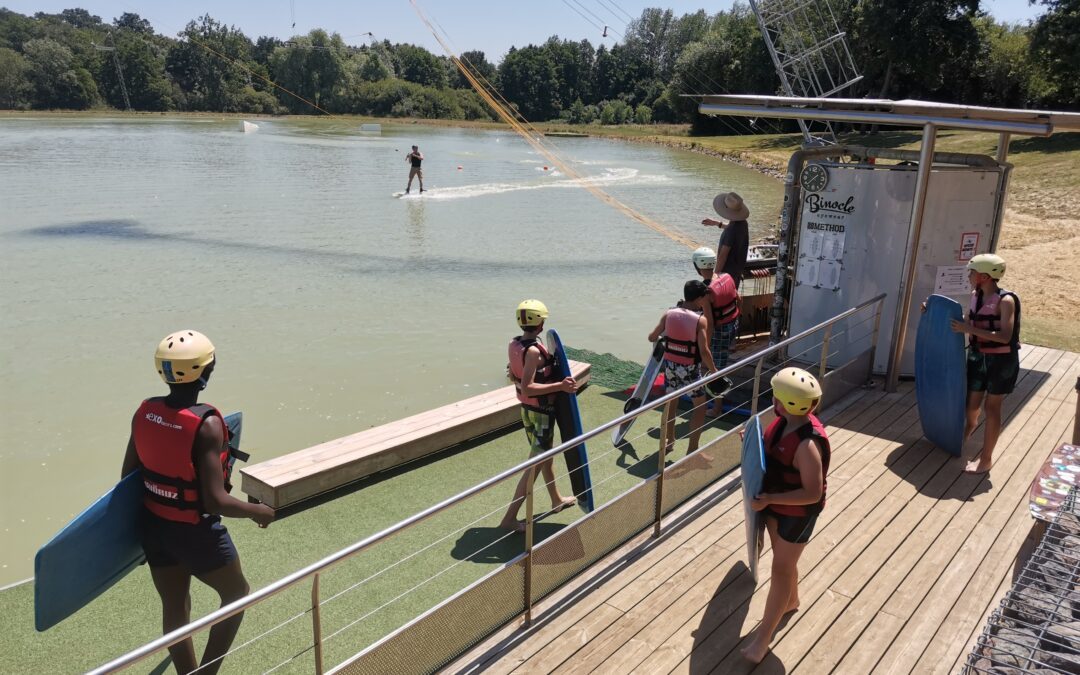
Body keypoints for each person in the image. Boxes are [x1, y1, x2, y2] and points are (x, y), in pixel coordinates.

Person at [120, 330, 274, 675]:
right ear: (207, 372)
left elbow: (128, 478)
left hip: (154, 527)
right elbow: (216, 501)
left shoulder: (144, 411)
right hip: (194, 531)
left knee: (175, 606)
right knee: (237, 594)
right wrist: (257, 511)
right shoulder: (206, 425)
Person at [742, 368, 830, 664]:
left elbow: (812, 493)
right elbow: (769, 457)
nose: (773, 400)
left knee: (780, 569)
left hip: (796, 513)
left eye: (776, 396)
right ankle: (791, 601)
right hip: (774, 507)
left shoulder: (807, 446)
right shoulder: (781, 425)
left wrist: (770, 499)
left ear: (784, 404)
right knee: (784, 560)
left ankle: (762, 640)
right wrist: (750, 445)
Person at [500, 300, 578, 531]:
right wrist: (561, 386)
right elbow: (528, 387)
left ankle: (555, 500)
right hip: (541, 412)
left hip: (528, 411)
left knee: (545, 456)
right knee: (534, 465)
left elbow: (514, 375)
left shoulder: (514, 344)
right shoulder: (533, 351)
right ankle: (509, 518)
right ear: (540, 323)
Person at [949, 253, 1020, 475]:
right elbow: (968, 321)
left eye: (972, 272)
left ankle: (986, 459)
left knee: (992, 407)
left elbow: (1005, 336)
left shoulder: (1006, 301)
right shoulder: (975, 296)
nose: (969, 276)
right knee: (971, 405)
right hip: (978, 356)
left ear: (984, 276)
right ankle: (970, 427)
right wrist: (932, 310)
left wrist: (968, 330)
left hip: (1001, 360)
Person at [648, 280, 718, 456]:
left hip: (670, 366)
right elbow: (704, 351)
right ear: (700, 298)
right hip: (690, 370)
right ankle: (692, 448)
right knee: (700, 408)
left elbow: (652, 337)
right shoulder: (700, 321)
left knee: (671, 404)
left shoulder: (669, 314)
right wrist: (715, 371)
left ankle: (669, 441)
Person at [692, 246, 739, 415]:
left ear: (697, 267)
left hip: (718, 332)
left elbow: (709, 322)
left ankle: (717, 408)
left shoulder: (706, 291)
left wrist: (705, 345)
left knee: (714, 368)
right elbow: (738, 299)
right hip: (732, 324)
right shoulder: (726, 277)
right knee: (720, 363)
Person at [702, 191, 751, 289]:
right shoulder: (742, 223)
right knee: (732, 297)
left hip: (726, 274)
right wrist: (717, 223)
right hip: (737, 271)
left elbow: (723, 256)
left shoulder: (730, 231)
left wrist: (715, 275)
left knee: (723, 300)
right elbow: (731, 228)